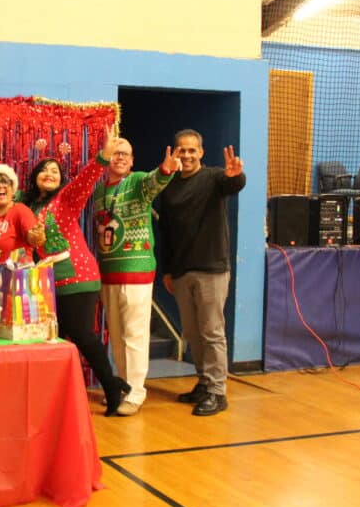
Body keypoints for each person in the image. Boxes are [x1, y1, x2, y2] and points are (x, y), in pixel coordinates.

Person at [23, 125, 130, 416]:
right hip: (48, 282)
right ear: (34, 177)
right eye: (43, 170)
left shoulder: (67, 199)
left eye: (55, 171)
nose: (49, 174)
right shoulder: (27, 207)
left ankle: (111, 387)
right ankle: (97, 386)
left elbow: (84, 181)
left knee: (82, 334)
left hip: (79, 276)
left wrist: (102, 158)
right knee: (64, 336)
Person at [157, 129, 246, 417]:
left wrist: (236, 176)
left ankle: (218, 392)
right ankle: (204, 383)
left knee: (211, 332)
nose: (186, 155)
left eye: (192, 150)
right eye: (182, 150)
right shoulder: (169, 187)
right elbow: (167, 233)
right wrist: (168, 270)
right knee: (193, 334)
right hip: (181, 272)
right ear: (174, 153)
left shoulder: (215, 178)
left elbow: (234, 184)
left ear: (201, 153)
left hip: (212, 270)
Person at [91, 139, 179, 416]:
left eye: (125, 154)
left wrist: (165, 171)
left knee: (135, 336)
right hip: (108, 274)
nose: (120, 158)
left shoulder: (139, 182)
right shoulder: (98, 193)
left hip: (136, 273)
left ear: (131, 161)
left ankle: (137, 392)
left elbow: (155, 183)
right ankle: (123, 387)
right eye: (115, 153)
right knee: (116, 336)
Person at [0, 162, 45, 268]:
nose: (0, 185)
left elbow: (33, 239)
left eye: (6, 182)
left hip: (15, 280)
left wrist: (37, 236)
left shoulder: (20, 211)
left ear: (12, 189)